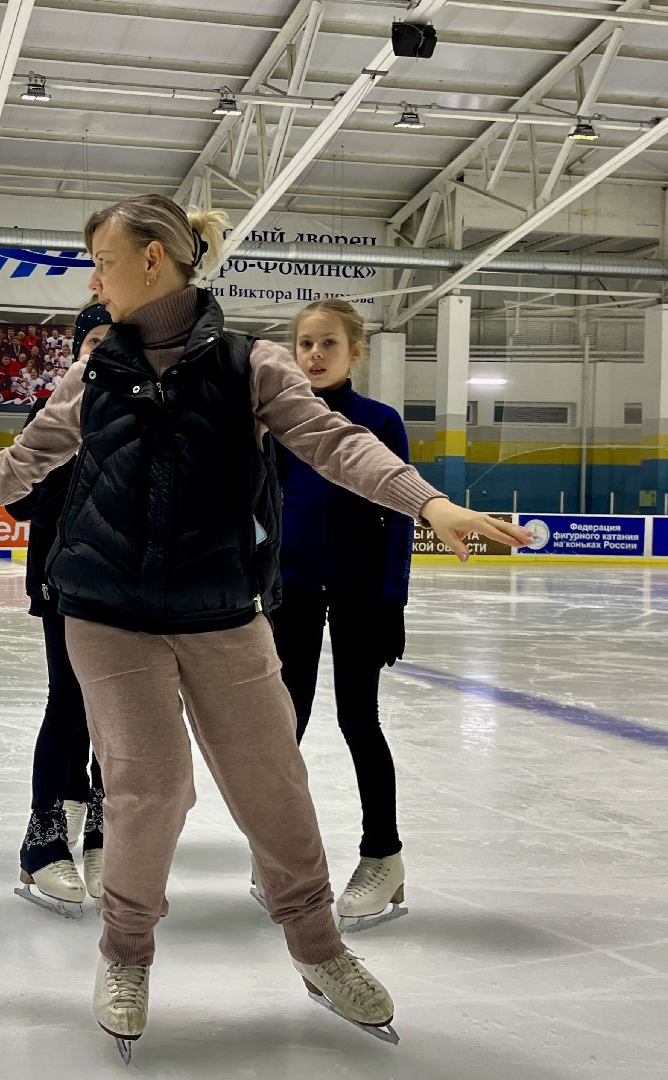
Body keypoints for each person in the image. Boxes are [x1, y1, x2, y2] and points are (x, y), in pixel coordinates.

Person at [0, 194, 532, 1060]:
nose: (93, 278)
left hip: (223, 609)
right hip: (105, 613)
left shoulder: (252, 364)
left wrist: (429, 502)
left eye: (102, 259)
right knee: (150, 791)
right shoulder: (95, 365)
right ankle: (126, 955)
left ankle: (319, 948)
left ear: (152, 260)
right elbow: (29, 456)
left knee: (274, 783)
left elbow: (333, 442)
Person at [263, 298, 415, 934]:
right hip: (287, 594)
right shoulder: (275, 424)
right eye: (305, 344)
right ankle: (279, 856)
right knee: (281, 728)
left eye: (329, 344)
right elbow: (257, 511)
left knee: (359, 719)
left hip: (357, 595)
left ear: (356, 353)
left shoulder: (379, 421)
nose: (316, 355)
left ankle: (383, 855)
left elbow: (400, 514)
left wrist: (392, 600)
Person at [5, 302, 112, 919]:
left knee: (113, 710)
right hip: (59, 579)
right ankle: (43, 836)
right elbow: (21, 502)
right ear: (76, 351)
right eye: (90, 342)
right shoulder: (50, 412)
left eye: (109, 341)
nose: (98, 351)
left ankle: (98, 814)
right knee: (68, 701)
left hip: (121, 586)